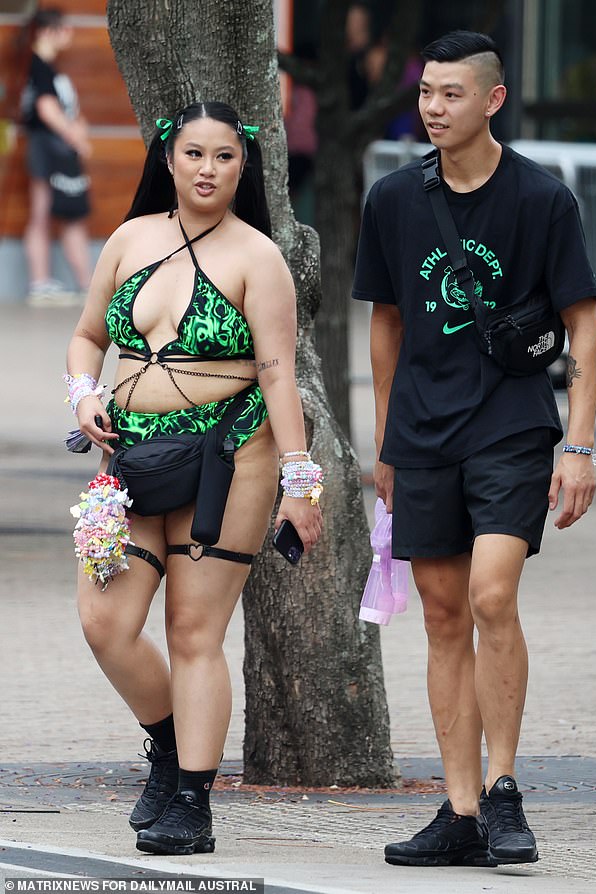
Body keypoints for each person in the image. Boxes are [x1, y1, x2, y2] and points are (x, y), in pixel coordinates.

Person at [352, 31, 596, 868]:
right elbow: (384, 321)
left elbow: (586, 323)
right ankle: (458, 814)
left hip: (513, 427)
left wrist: (580, 446)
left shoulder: (540, 199)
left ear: (492, 100)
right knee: (443, 612)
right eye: (426, 93)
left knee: (493, 596)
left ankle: (503, 793)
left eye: (451, 94)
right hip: (422, 434)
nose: (433, 108)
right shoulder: (392, 198)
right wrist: (385, 440)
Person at [65, 101, 323, 856]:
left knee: (192, 630)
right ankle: (169, 746)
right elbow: (87, 337)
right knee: (104, 621)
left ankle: (193, 802)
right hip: (132, 456)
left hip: (229, 456)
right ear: (167, 159)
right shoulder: (130, 239)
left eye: (225, 157)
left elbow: (280, 380)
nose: (208, 169)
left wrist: (300, 483)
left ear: (245, 166)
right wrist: (83, 393)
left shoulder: (257, 257)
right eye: (194, 154)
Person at [21, 7, 92, 306]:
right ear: (49, 31)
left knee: (68, 214)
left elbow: (64, 109)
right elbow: (47, 110)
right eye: (65, 28)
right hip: (46, 149)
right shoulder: (39, 67)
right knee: (41, 212)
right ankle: (40, 283)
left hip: (58, 151)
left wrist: (78, 130)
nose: (69, 34)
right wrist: (75, 136)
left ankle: (86, 285)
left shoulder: (49, 69)